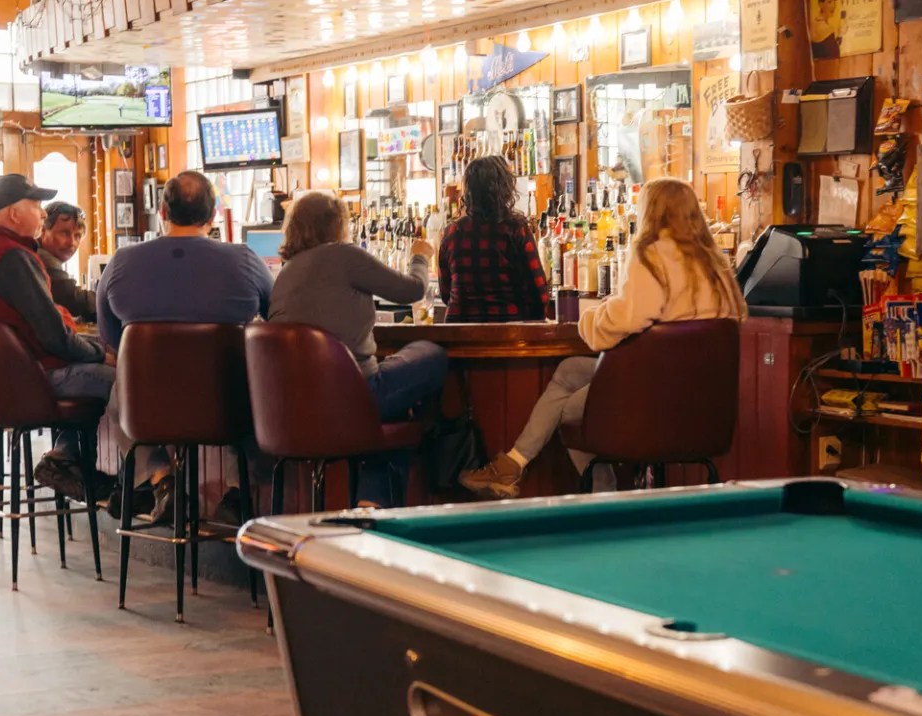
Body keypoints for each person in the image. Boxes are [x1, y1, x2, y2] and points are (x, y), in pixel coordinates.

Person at [458, 178, 749, 498]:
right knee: (569, 371)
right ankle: (512, 465)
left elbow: (627, 318)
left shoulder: (653, 254)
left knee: (571, 411)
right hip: (704, 401)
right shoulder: (717, 263)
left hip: (655, 395)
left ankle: (604, 492)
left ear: (650, 212)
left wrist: (589, 319)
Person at [98, 170, 273, 521]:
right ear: (212, 216)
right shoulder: (245, 262)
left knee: (122, 386)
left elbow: (112, 341)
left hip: (147, 408)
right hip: (228, 407)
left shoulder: (121, 264)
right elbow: (278, 322)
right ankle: (238, 492)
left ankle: (164, 479)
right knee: (263, 386)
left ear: (162, 212)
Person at [269, 191, 447, 507]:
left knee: (395, 412)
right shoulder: (345, 255)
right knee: (431, 354)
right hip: (354, 398)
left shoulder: (285, 273)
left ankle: (372, 501)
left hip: (293, 410)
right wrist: (421, 256)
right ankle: (375, 501)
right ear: (338, 225)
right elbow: (412, 290)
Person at [0, 173, 114, 499]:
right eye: (36, 204)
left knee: (107, 372)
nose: (41, 213)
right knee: (129, 381)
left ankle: (66, 459)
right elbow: (56, 340)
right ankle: (148, 481)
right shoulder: (12, 257)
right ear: (13, 213)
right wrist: (101, 354)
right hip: (31, 380)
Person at [437, 155, 550, 322]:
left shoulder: (451, 233)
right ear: (504, 189)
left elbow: (445, 293)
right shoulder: (516, 231)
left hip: (458, 333)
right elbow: (539, 295)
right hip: (506, 333)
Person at [37, 201, 100, 322]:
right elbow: (73, 299)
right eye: (64, 233)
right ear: (42, 231)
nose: (72, 243)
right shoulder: (41, 260)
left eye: (77, 236)